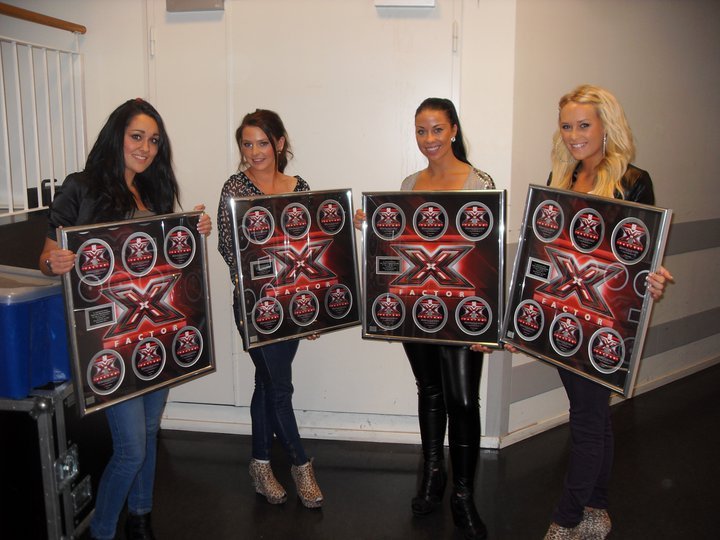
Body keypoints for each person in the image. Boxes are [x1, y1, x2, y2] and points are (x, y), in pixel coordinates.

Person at [38, 98, 212, 540]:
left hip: (156, 332)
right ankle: (102, 530)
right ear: (117, 136)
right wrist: (54, 262)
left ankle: (140, 517)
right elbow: (47, 256)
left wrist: (194, 231)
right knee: (132, 449)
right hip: (109, 340)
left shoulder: (154, 191)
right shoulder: (80, 187)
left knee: (149, 433)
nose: (146, 148)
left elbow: (167, 259)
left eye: (153, 141)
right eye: (137, 137)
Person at [354, 98, 494, 540]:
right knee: (429, 391)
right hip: (417, 308)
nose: (429, 139)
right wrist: (372, 226)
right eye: (421, 130)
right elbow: (398, 249)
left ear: (453, 130)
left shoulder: (479, 182)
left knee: (463, 400)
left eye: (436, 129)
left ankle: (463, 494)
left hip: (464, 310)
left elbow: (487, 257)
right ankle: (434, 475)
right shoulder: (409, 184)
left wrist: (487, 325)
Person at [542, 84, 673, 540]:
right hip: (564, 311)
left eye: (584, 125)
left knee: (586, 419)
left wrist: (654, 277)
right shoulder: (561, 178)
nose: (574, 134)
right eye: (567, 126)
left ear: (605, 126)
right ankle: (597, 508)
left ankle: (566, 518)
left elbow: (642, 252)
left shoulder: (633, 179)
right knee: (592, 414)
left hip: (606, 318)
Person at [216, 109, 323, 509]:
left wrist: (310, 310)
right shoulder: (235, 187)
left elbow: (309, 246)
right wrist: (261, 281)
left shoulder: (299, 186)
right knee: (280, 387)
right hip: (253, 304)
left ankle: (260, 465)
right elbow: (228, 246)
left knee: (266, 384)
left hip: (292, 304)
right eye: (247, 144)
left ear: (279, 143)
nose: (255, 151)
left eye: (263, 142)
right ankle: (300, 464)